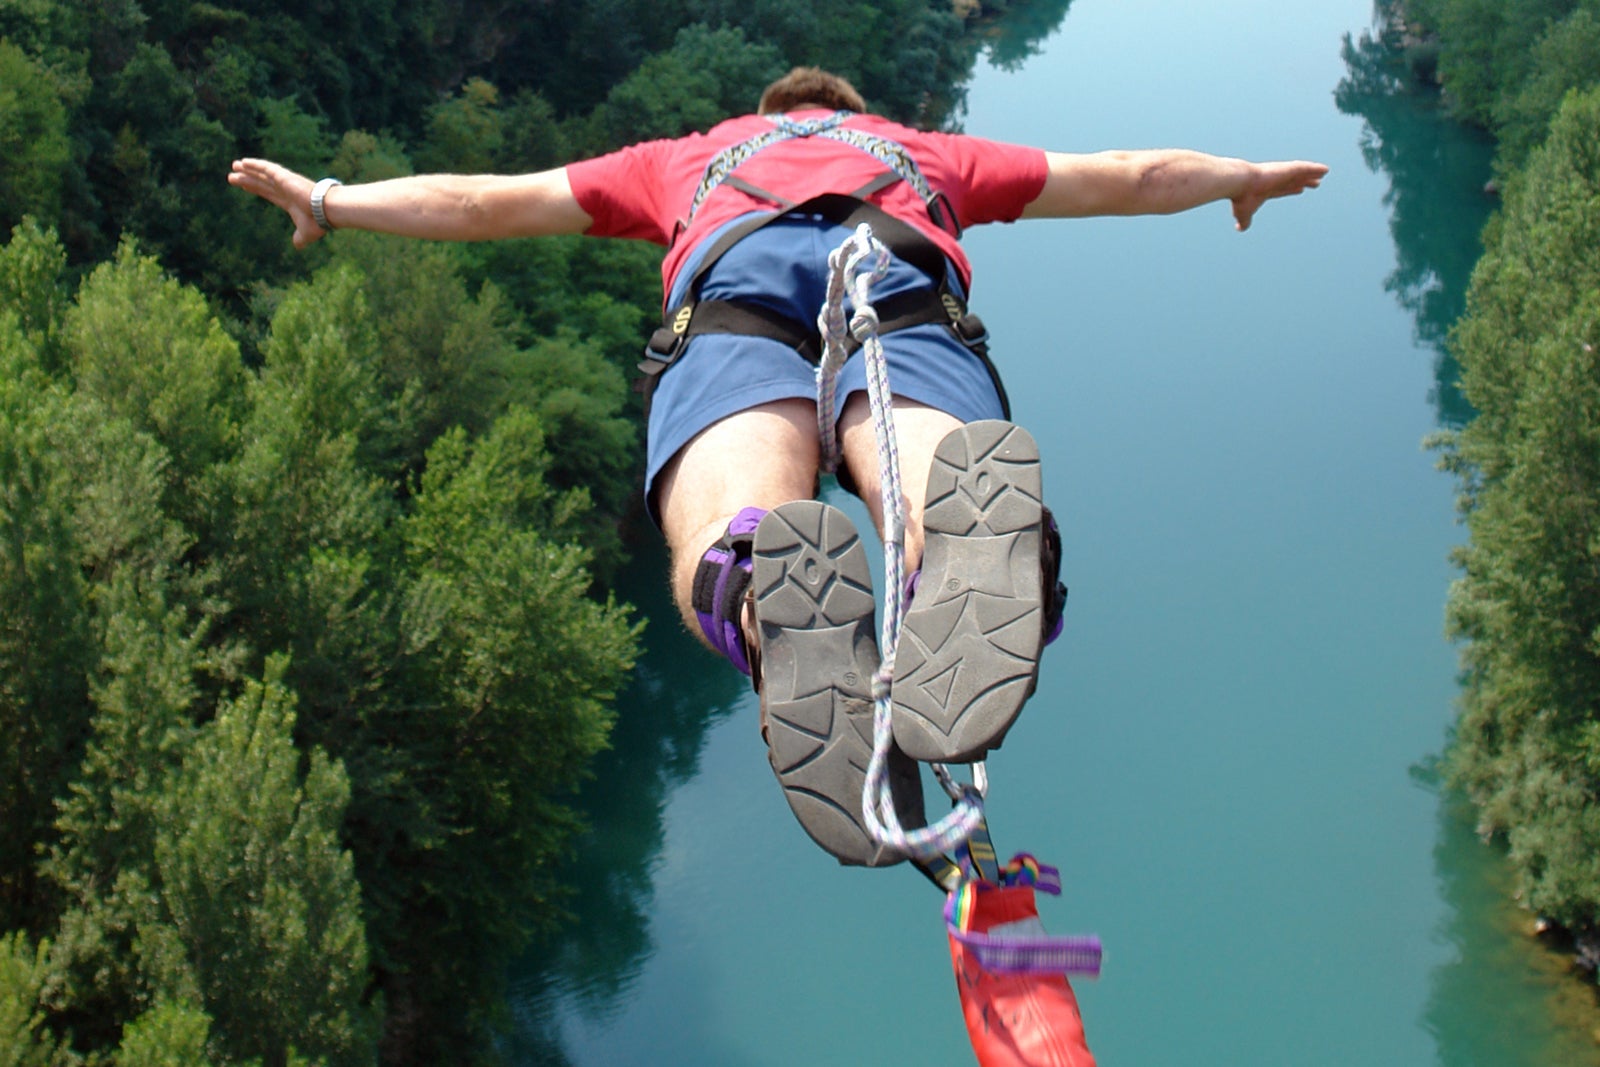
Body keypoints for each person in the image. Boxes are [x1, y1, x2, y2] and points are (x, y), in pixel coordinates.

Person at [231, 66, 1326, 871]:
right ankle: (966, 542)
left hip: (732, 285)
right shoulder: (922, 153)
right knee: (933, 472)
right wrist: (1245, 176)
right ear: (850, 112)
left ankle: (756, 591)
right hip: (890, 266)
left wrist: (328, 198)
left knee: (735, 524)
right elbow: (1128, 175)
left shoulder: (683, 160)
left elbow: (482, 202)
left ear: (765, 116)